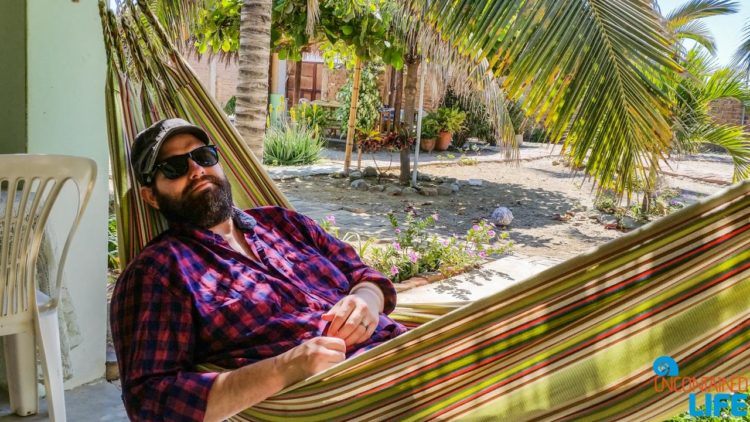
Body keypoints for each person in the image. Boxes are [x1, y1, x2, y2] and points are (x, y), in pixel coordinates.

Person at [110, 118, 407, 421]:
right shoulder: (159, 271)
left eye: (203, 156)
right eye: (173, 167)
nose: (197, 170)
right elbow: (149, 400)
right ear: (151, 196)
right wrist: (285, 367)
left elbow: (363, 274)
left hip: (406, 353)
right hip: (345, 396)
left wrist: (366, 300)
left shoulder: (282, 222)